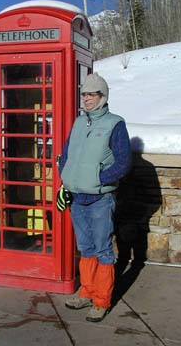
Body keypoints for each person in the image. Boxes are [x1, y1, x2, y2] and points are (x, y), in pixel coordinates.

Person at [57, 72, 131, 322]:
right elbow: (66, 153)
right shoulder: (79, 122)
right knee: (85, 247)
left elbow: (123, 162)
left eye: (91, 94)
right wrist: (65, 177)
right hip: (77, 198)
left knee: (102, 250)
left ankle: (101, 300)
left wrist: (99, 179)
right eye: (84, 94)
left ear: (103, 96)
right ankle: (86, 291)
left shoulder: (115, 123)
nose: (86, 98)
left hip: (100, 199)